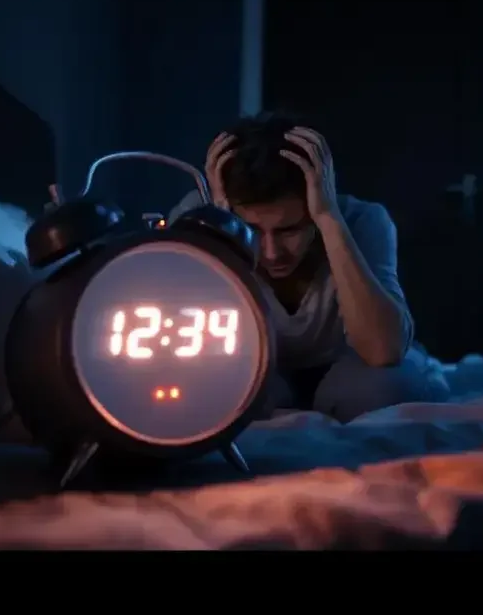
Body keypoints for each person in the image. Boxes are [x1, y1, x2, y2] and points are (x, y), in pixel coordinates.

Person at [171, 112, 449, 423]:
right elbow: (187, 351)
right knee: (220, 393)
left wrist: (328, 218)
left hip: (353, 366)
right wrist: (221, 225)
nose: (272, 253)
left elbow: (383, 350)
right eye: (253, 230)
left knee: (386, 390)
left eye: (290, 230)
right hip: (260, 367)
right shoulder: (200, 217)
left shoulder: (363, 220)